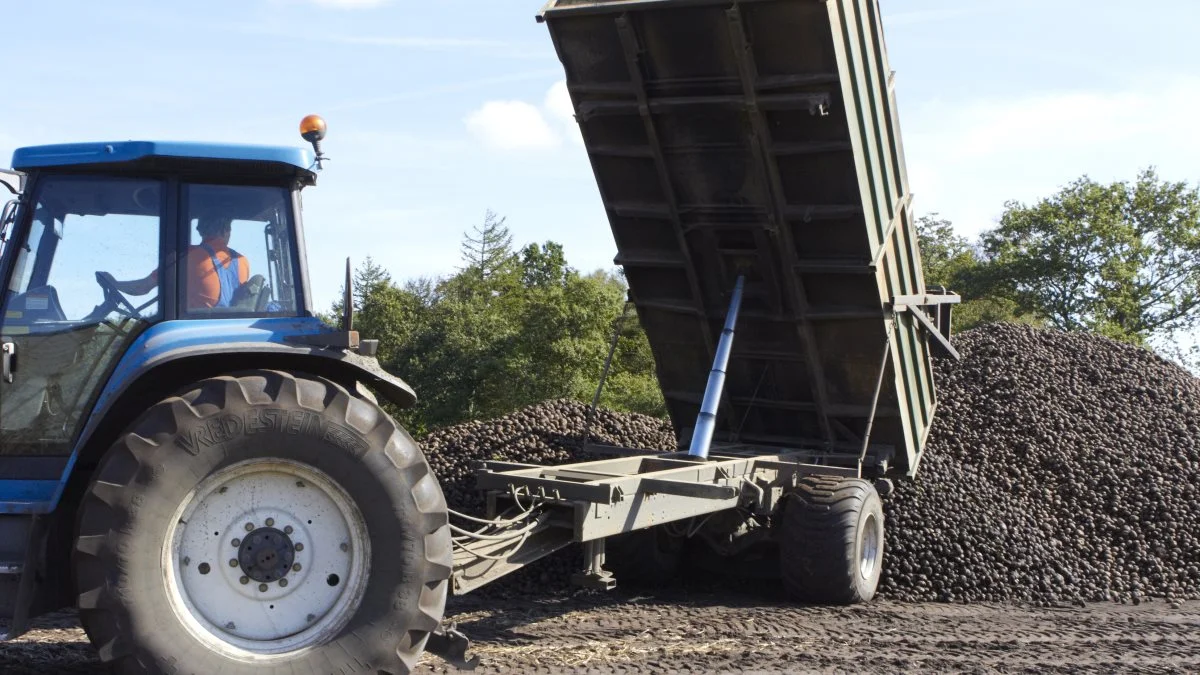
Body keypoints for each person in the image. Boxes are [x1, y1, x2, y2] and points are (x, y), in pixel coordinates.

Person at [100, 218, 250, 310]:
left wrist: (115, 284)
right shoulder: (242, 261)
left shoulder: (186, 256)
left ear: (199, 230)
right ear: (226, 230)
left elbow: (142, 288)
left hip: (195, 331)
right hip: (232, 329)